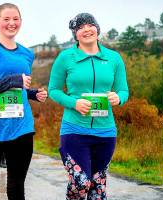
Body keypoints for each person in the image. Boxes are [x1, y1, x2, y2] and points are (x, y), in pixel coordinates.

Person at [48, 13, 129, 200]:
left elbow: (123, 90)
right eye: (80, 27)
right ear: (75, 34)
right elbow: (53, 90)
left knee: (97, 187)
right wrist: (74, 103)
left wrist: (119, 98)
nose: (86, 29)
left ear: (97, 29)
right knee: (80, 182)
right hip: (74, 130)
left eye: (90, 25)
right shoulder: (65, 57)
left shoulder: (114, 58)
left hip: (106, 132)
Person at [0, 3, 47, 200]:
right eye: (6, 19)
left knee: (16, 186)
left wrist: (32, 93)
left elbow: (16, 88)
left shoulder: (27, 54)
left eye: (16, 19)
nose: (11, 23)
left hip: (20, 126)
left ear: (21, 22)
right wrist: (14, 80)